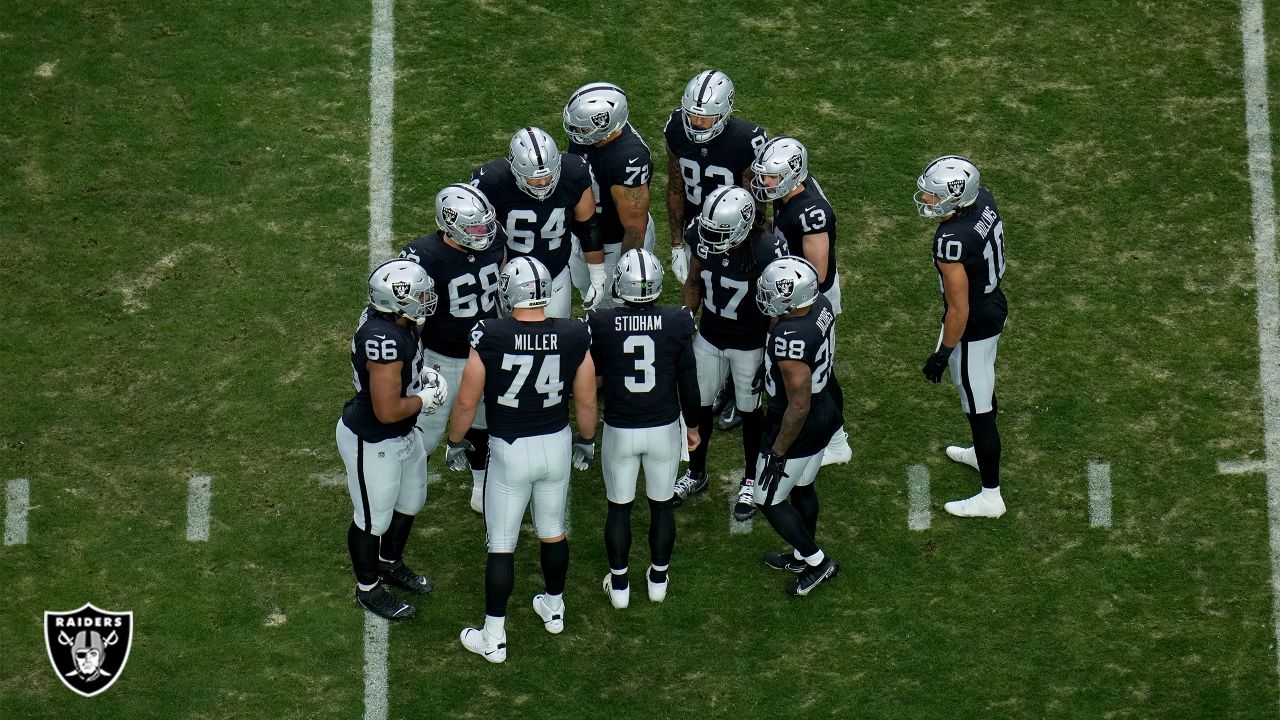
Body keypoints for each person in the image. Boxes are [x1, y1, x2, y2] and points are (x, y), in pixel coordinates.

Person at [448, 256, 596, 663]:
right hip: (556, 443)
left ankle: (493, 636)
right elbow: (585, 399)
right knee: (552, 530)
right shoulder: (572, 333)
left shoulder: (491, 334)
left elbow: (466, 399)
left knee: (502, 544)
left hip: (511, 448)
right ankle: (554, 608)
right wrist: (587, 439)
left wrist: (456, 440)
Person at [586, 248, 700, 608]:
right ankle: (657, 580)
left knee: (619, 508)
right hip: (663, 428)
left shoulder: (601, 322)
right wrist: (693, 426)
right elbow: (688, 381)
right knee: (661, 506)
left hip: (621, 428)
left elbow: (596, 376)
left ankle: (619, 587)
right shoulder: (679, 320)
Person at [336, 259, 450, 620]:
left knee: (412, 500)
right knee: (373, 520)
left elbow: (403, 370)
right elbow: (387, 410)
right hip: (374, 438)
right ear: (397, 301)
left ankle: (389, 562)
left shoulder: (399, 323)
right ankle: (368, 588)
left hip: (401, 434)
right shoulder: (382, 340)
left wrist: (421, 377)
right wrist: (423, 399)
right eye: (420, 294)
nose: (427, 298)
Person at [664, 70, 769, 433]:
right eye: (691, 115)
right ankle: (719, 382)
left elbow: (755, 204)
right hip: (698, 229)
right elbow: (675, 186)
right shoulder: (676, 129)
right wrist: (678, 242)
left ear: (725, 112)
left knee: (738, 304)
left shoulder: (746, 141)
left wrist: (750, 249)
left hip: (737, 233)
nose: (695, 123)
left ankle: (738, 390)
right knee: (707, 298)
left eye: (704, 116)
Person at [676, 185, 787, 521]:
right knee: (698, 406)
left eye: (719, 232)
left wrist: (769, 350)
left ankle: (751, 480)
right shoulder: (702, 237)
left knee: (750, 411)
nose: (711, 238)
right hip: (710, 335)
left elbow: (777, 309)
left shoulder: (767, 249)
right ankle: (696, 473)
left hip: (748, 342)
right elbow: (694, 281)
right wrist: (684, 324)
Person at [399, 183, 506, 513]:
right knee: (427, 431)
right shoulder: (423, 257)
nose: (483, 232)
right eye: (474, 226)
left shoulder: (494, 239)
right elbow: (408, 315)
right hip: (440, 357)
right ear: (450, 225)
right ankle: (403, 485)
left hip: (484, 353)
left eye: (485, 224)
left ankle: (480, 482)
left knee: (483, 423)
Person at [915, 155, 1009, 518]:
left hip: (974, 320)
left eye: (935, 196)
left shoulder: (951, 239)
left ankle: (991, 496)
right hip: (991, 301)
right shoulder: (982, 198)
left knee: (978, 403)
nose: (928, 201)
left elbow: (958, 310)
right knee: (980, 390)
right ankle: (978, 451)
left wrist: (943, 352)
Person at [750, 136, 852, 466]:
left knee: (820, 372)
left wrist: (790, 306)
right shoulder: (789, 196)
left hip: (809, 297)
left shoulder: (812, 213)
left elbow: (818, 274)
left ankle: (837, 441)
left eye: (772, 177)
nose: (765, 183)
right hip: (792, 291)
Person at [753, 256, 843, 596]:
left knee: (768, 498)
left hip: (798, 419)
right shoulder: (818, 304)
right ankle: (800, 555)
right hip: (825, 406)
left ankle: (817, 562)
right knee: (803, 486)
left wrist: (778, 450)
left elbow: (798, 403)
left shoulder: (790, 338)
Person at [472, 127, 607, 316]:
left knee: (556, 339)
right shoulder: (492, 182)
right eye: (535, 178)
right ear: (515, 170)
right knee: (509, 340)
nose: (543, 183)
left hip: (555, 272)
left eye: (547, 175)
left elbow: (588, 226)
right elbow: (480, 237)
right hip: (508, 275)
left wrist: (597, 275)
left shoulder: (573, 174)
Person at [563, 82, 656, 309]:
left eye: (582, 128)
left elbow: (634, 229)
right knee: (588, 294)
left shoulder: (628, 159)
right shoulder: (591, 137)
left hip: (614, 244)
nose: (576, 133)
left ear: (606, 124)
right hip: (585, 233)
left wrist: (623, 273)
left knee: (612, 312)